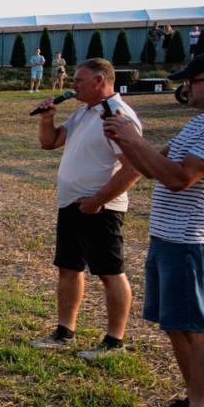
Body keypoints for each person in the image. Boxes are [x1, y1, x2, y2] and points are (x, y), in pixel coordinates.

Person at [102, 53, 204, 407]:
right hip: (172, 237)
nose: (186, 87)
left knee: (196, 327)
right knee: (178, 325)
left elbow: (180, 178)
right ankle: (195, 401)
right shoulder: (201, 123)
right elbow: (154, 167)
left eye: (193, 81)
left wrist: (133, 140)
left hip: (194, 240)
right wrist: (126, 144)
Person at [31, 59, 143, 360]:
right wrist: (47, 119)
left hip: (100, 208)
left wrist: (98, 200)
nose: (73, 86)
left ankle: (113, 340)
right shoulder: (84, 113)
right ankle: (64, 331)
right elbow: (50, 142)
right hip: (71, 204)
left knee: (110, 272)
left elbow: (133, 168)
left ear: (99, 81)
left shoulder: (116, 115)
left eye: (79, 81)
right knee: (68, 268)